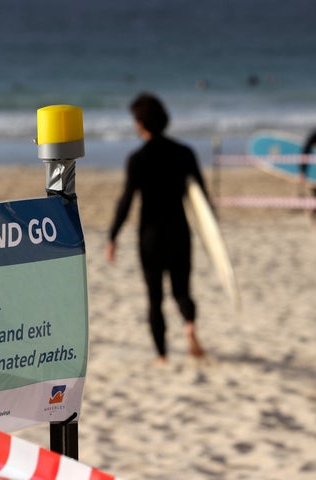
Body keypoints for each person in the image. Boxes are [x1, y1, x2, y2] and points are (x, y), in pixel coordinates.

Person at [106, 92, 206, 364]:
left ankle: (162, 355)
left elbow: (126, 201)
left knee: (155, 298)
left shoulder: (138, 159)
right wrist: (211, 234)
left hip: (151, 237)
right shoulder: (185, 153)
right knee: (182, 290)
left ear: (141, 123)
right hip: (179, 232)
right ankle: (189, 327)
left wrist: (112, 236)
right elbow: (202, 201)